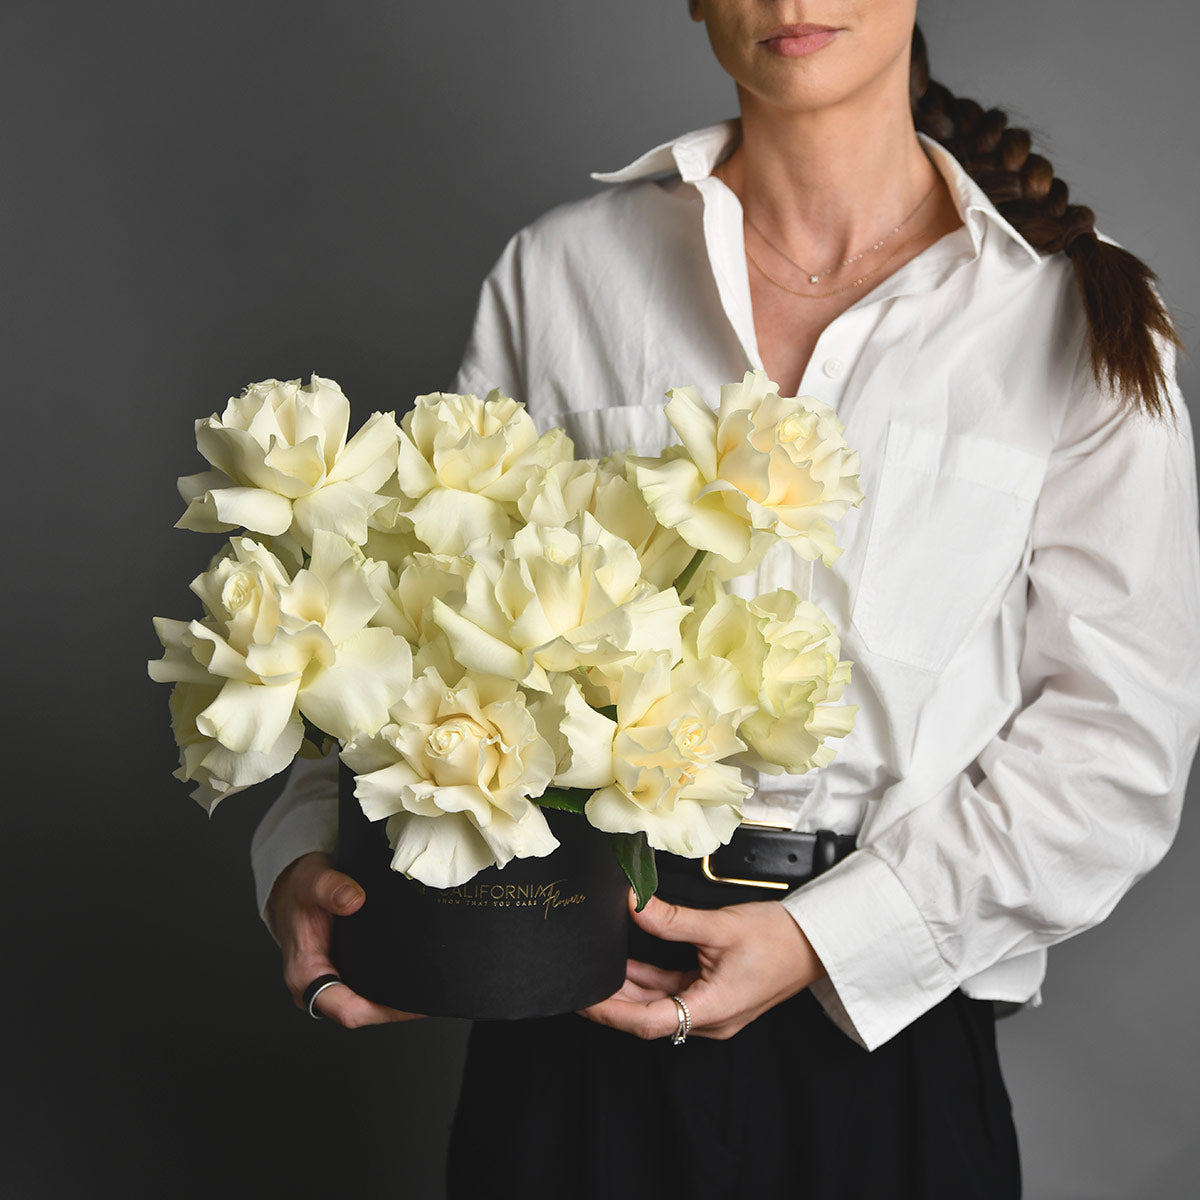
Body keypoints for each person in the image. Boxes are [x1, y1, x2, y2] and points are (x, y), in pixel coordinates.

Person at [253, 3, 1200, 1196]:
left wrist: (827, 940)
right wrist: (303, 856)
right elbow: (415, 618)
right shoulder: (562, 274)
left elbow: (1117, 742)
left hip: (885, 1044)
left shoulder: (1076, 317)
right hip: (573, 991)